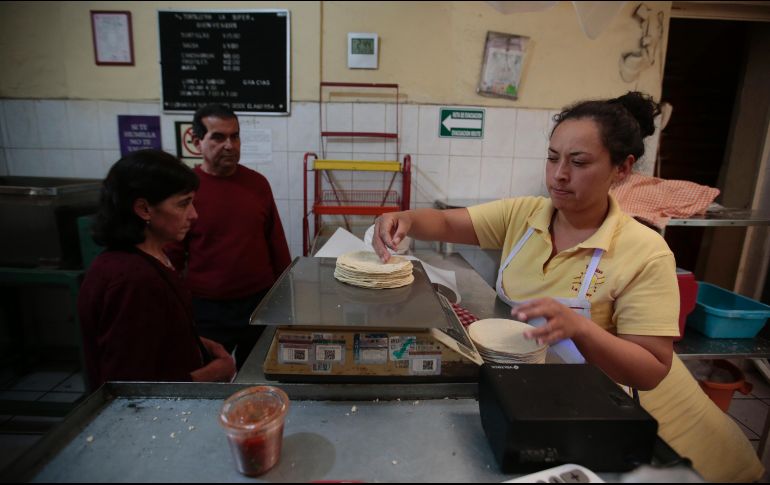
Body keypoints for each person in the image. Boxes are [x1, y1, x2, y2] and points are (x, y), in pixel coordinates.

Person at [372, 92, 763, 482]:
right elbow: (443, 224)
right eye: (552, 157)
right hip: (571, 405)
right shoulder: (524, 216)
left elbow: (650, 371)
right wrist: (400, 217)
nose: (559, 174)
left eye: (578, 162)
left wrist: (581, 329)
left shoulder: (645, 252)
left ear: (622, 169)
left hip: (660, 435)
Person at [78, 149, 236, 389]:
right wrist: (210, 376)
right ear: (144, 209)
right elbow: (128, 388)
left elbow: (148, 337)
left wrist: (194, 342)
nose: (194, 215)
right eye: (183, 204)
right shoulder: (132, 280)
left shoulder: (152, 256)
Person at [166, 104, 291, 369]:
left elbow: (276, 244)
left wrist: (285, 298)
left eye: (235, 136)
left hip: (259, 304)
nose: (229, 145)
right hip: (207, 309)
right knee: (208, 377)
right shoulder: (186, 190)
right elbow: (172, 255)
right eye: (218, 137)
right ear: (197, 142)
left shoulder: (257, 184)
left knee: (259, 376)